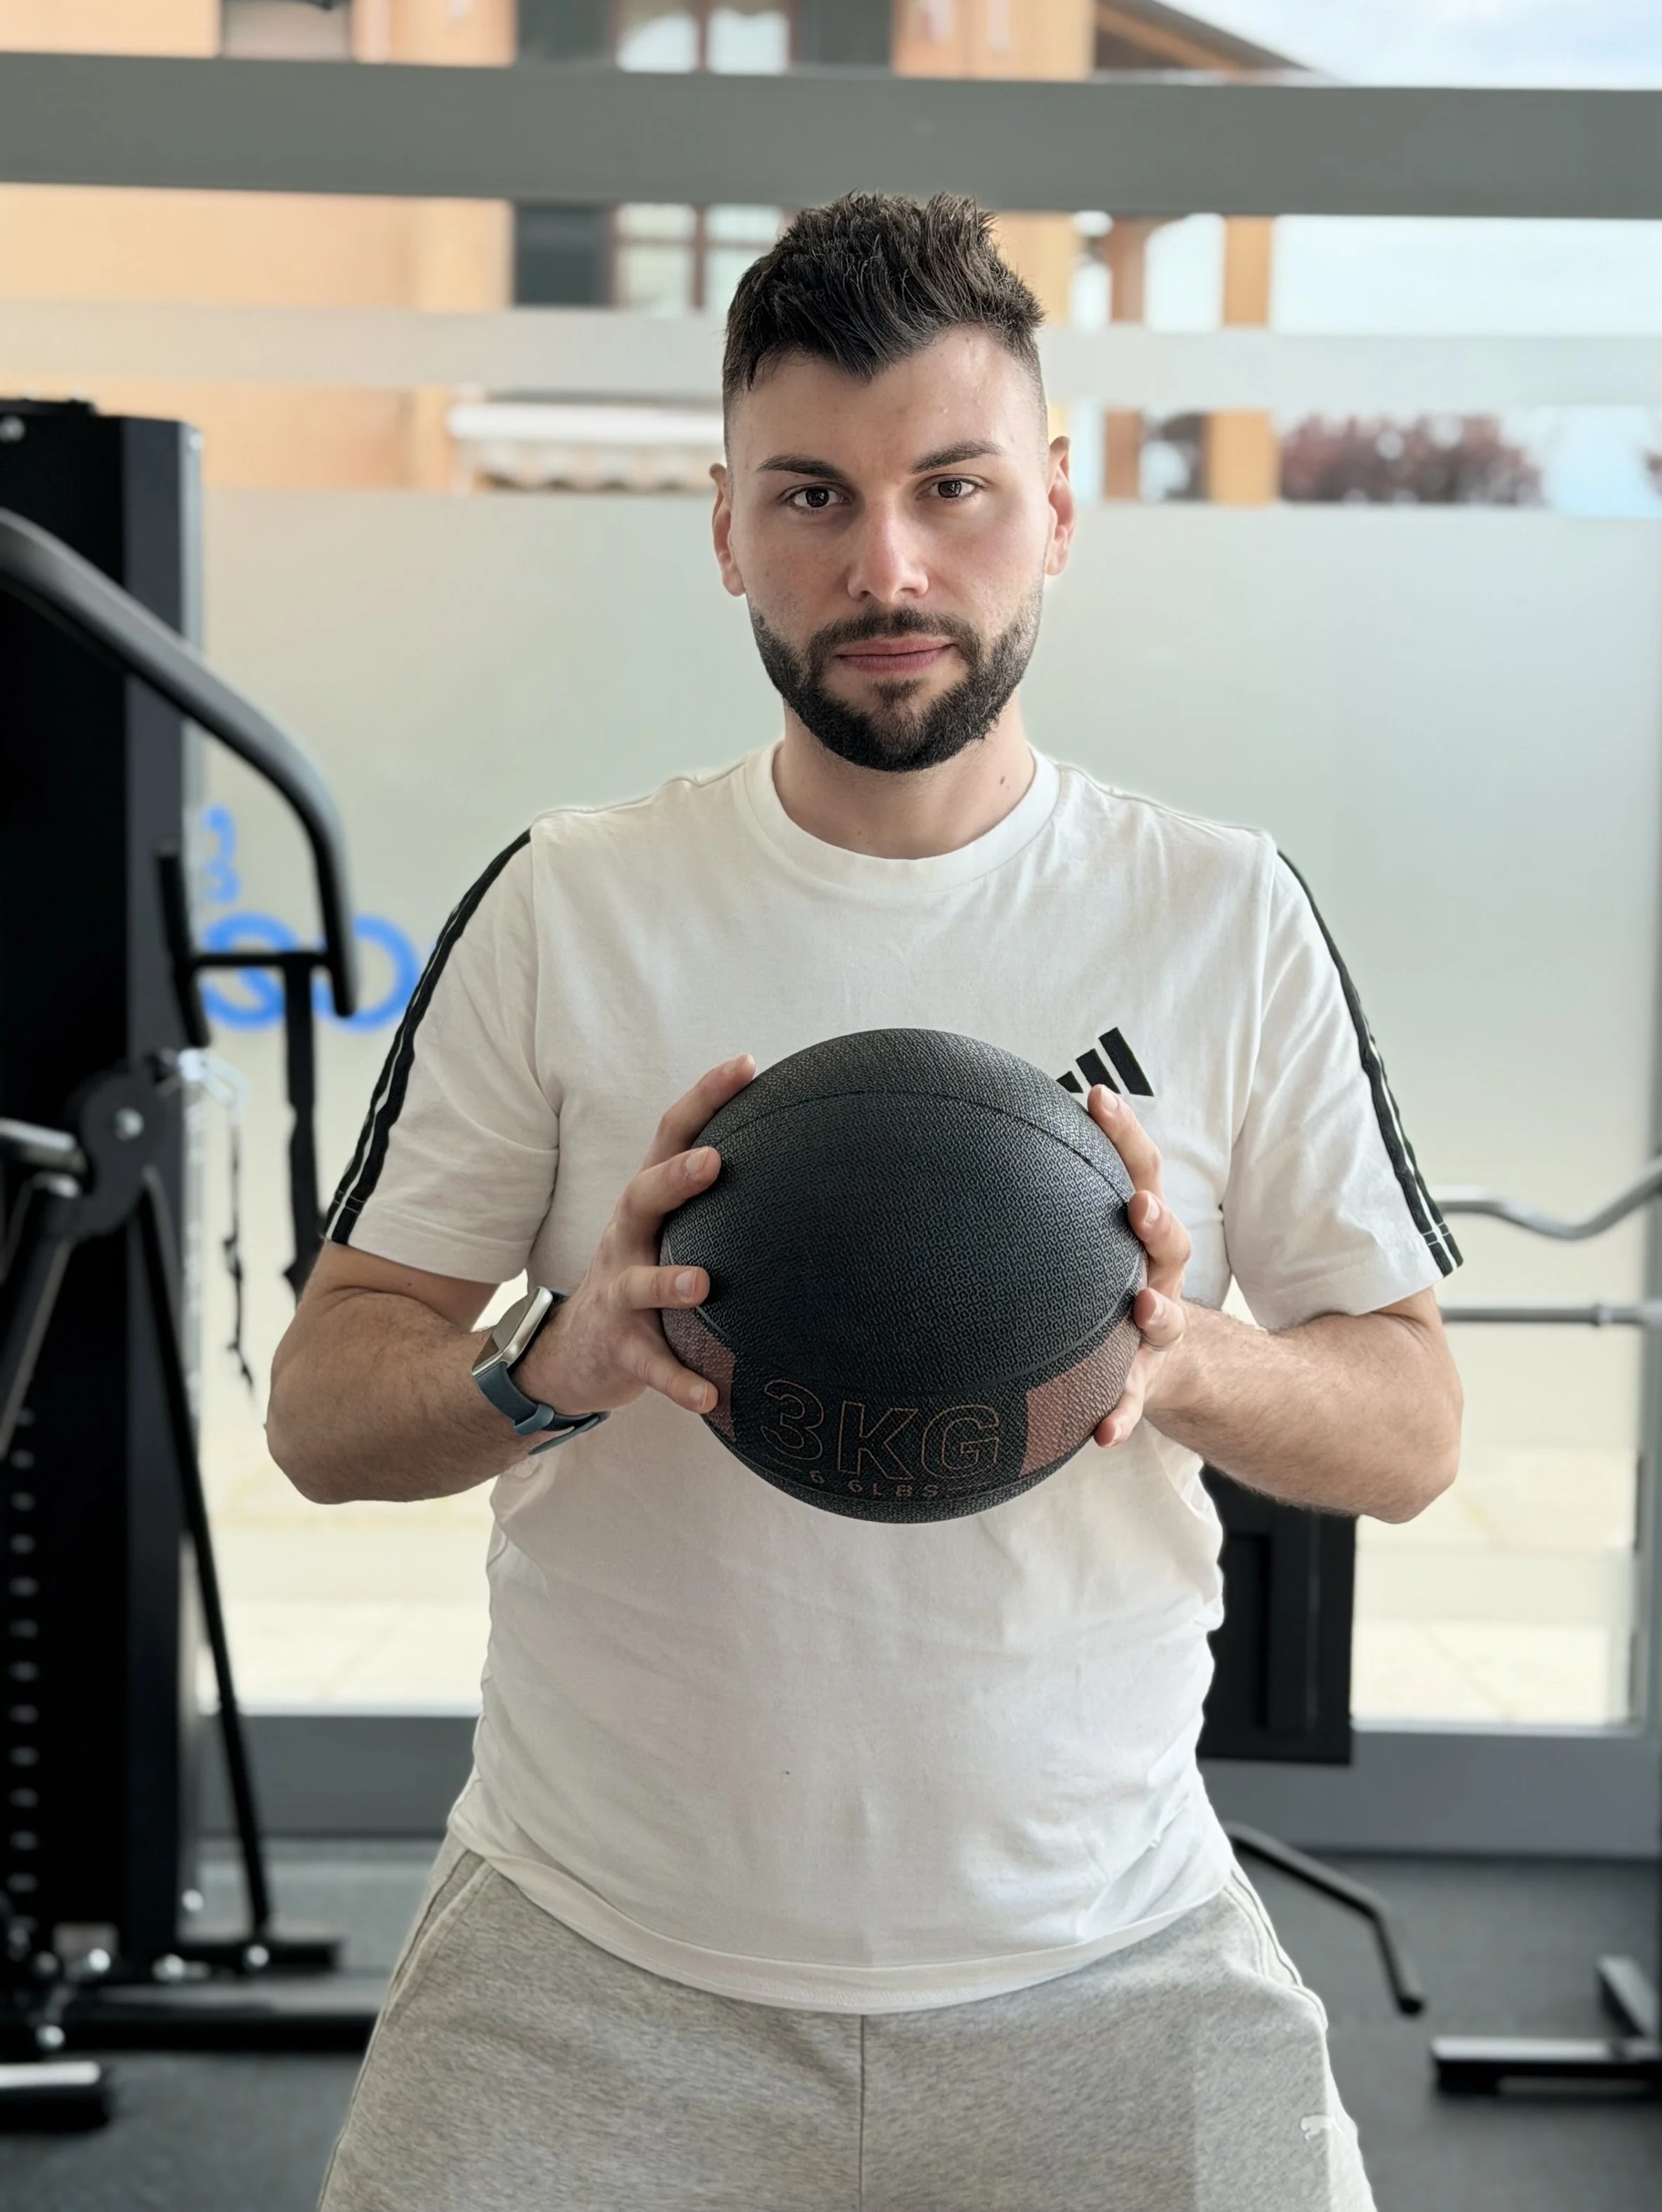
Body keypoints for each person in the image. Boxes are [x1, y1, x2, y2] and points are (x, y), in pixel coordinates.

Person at [271, 192, 1463, 2212]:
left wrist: (1171, 1354)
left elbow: (1413, 1429)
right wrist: (557, 1359)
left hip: (1107, 1951)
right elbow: (321, 1407)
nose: (885, 563)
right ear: (726, 528)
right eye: (810, 494)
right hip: (592, 1954)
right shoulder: (573, 899)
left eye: (953, 487)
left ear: (1059, 512)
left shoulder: (1218, 908)